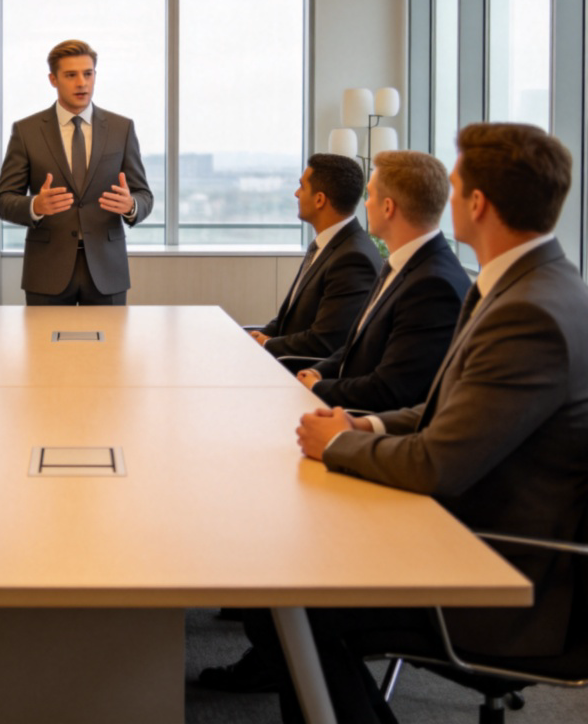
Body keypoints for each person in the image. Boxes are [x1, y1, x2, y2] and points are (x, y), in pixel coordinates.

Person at [204, 123, 588, 724]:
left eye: (456, 187)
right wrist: (367, 427)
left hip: (497, 573)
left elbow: (440, 461)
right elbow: (443, 410)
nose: (448, 200)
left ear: (478, 204)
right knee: (283, 580)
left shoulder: (528, 312)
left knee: (293, 600)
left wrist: (337, 446)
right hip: (470, 534)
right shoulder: (531, 286)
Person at [295, 150, 470, 411]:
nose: (365, 204)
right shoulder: (403, 263)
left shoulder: (433, 286)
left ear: (388, 207)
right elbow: (356, 346)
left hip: (370, 426)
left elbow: (391, 390)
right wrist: (318, 373)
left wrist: (317, 389)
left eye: (371, 195)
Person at [0, 39, 153, 305]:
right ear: (53, 79)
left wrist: (131, 205)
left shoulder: (121, 128)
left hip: (107, 267)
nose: (82, 83)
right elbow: (3, 200)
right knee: (44, 348)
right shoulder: (27, 131)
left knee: (110, 347)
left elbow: (144, 195)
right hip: (47, 269)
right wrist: (35, 205)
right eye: (71, 75)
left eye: (88, 74)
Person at [249, 153, 381, 358]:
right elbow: (289, 320)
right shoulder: (326, 245)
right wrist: (262, 335)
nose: (296, 193)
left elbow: (326, 342)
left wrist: (267, 344)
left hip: (303, 375)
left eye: (302, 186)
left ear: (319, 199)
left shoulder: (353, 259)